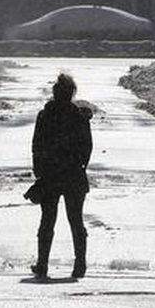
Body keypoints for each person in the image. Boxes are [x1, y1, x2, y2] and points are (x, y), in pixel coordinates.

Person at [31, 73, 93, 279]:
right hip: (74, 175)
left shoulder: (45, 116)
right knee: (76, 220)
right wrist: (80, 165)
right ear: (72, 93)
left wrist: (39, 170)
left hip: (50, 176)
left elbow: (37, 146)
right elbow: (87, 147)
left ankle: (42, 264)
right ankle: (80, 263)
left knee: (47, 220)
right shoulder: (79, 117)